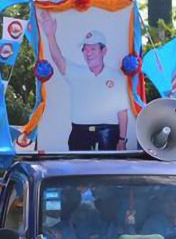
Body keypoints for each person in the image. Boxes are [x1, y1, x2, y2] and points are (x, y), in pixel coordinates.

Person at [37, 9, 129, 152]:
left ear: (103, 51)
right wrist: (50, 35)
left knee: (107, 173)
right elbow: (58, 59)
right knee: (78, 173)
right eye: (85, 49)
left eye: (92, 49)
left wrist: (121, 140)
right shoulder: (76, 72)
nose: (88, 53)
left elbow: (122, 111)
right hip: (79, 134)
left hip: (108, 135)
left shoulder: (116, 76)